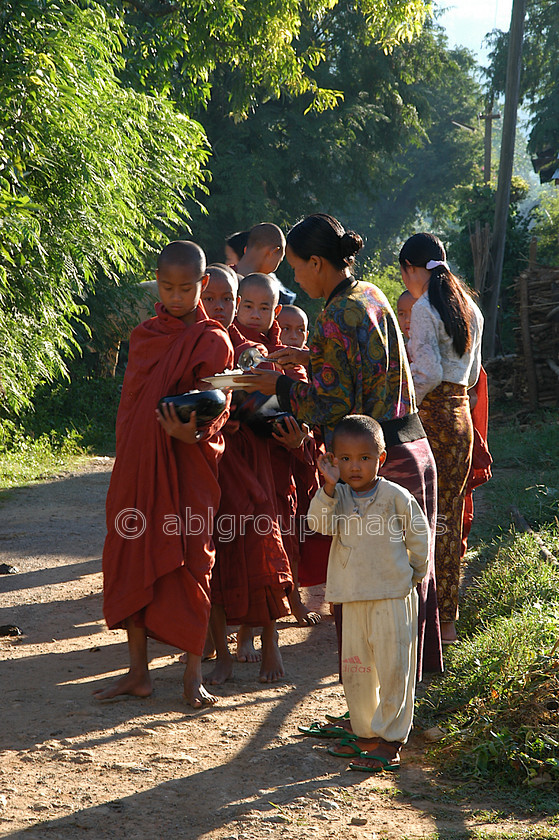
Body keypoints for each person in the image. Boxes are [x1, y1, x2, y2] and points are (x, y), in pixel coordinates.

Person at [233, 213, 443, 680]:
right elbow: (368, 363)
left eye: (296, 266)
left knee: (369, 592)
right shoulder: (369, 293)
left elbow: (332, 405)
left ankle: (375, 715)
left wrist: (278, 386)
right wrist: (311, 357)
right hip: (413, 451)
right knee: (411, 584)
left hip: (375, 465)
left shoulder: (334, 313)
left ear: (316, 261)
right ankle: (410, 701)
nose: (294, 276)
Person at [94, 241, 234, 707]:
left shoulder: (213, 339)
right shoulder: (145, 335)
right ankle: (138, 672)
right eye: (167, 287)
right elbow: (132, 408)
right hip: (138, 466)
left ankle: (193, 675)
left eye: (186, 288)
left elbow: (218, 405)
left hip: (188, 466)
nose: (176, 296)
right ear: (156, 281)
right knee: (132, 554)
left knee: (194, 559)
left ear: (204, 284)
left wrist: (191, 433)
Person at [306, 415, 429, 772]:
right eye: (344, 459)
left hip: (393, 596)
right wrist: (328, 488)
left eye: (363, 458)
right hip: (352, 596)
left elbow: (419, 540)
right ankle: (364, 732)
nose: (354, 466)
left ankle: (391, 739)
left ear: (382, 458)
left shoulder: (395, 497)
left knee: (394, 670)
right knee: (357, 670)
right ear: (331, 460)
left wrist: (413, 577)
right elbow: (319, 524)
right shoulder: (336, 496)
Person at [200, 263, 295, 682]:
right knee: (217, 558)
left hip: (254, 462)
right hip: (217, 463)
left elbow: (275, 407)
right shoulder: (205, 342)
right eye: (212, 300)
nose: (220, 308)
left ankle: (269, 641)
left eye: (227, 300)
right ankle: (222, 652)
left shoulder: (260, 353)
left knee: (260, 549)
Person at [399, 232, 483, 644]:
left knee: (418, 518)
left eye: (404, 274)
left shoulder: (423, 308)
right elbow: (472, 372)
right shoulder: (470, 307)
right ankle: (445, 621)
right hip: (461, 414)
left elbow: (427, 374)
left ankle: (417, 616)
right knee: (448, 515)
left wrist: (400, 395)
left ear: (412, 269)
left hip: (431, 418)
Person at [234, 272, 321, 626]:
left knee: (288, 531)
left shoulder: (283, 355)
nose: (256, 314)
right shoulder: (233, 343)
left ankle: (294, 599)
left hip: (282, 458)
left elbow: (309, 404)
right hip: (243, 453)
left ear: (275, 310)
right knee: (242, 537)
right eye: (249, 306)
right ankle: (240, 627)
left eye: (265, 307)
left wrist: (302, 435)